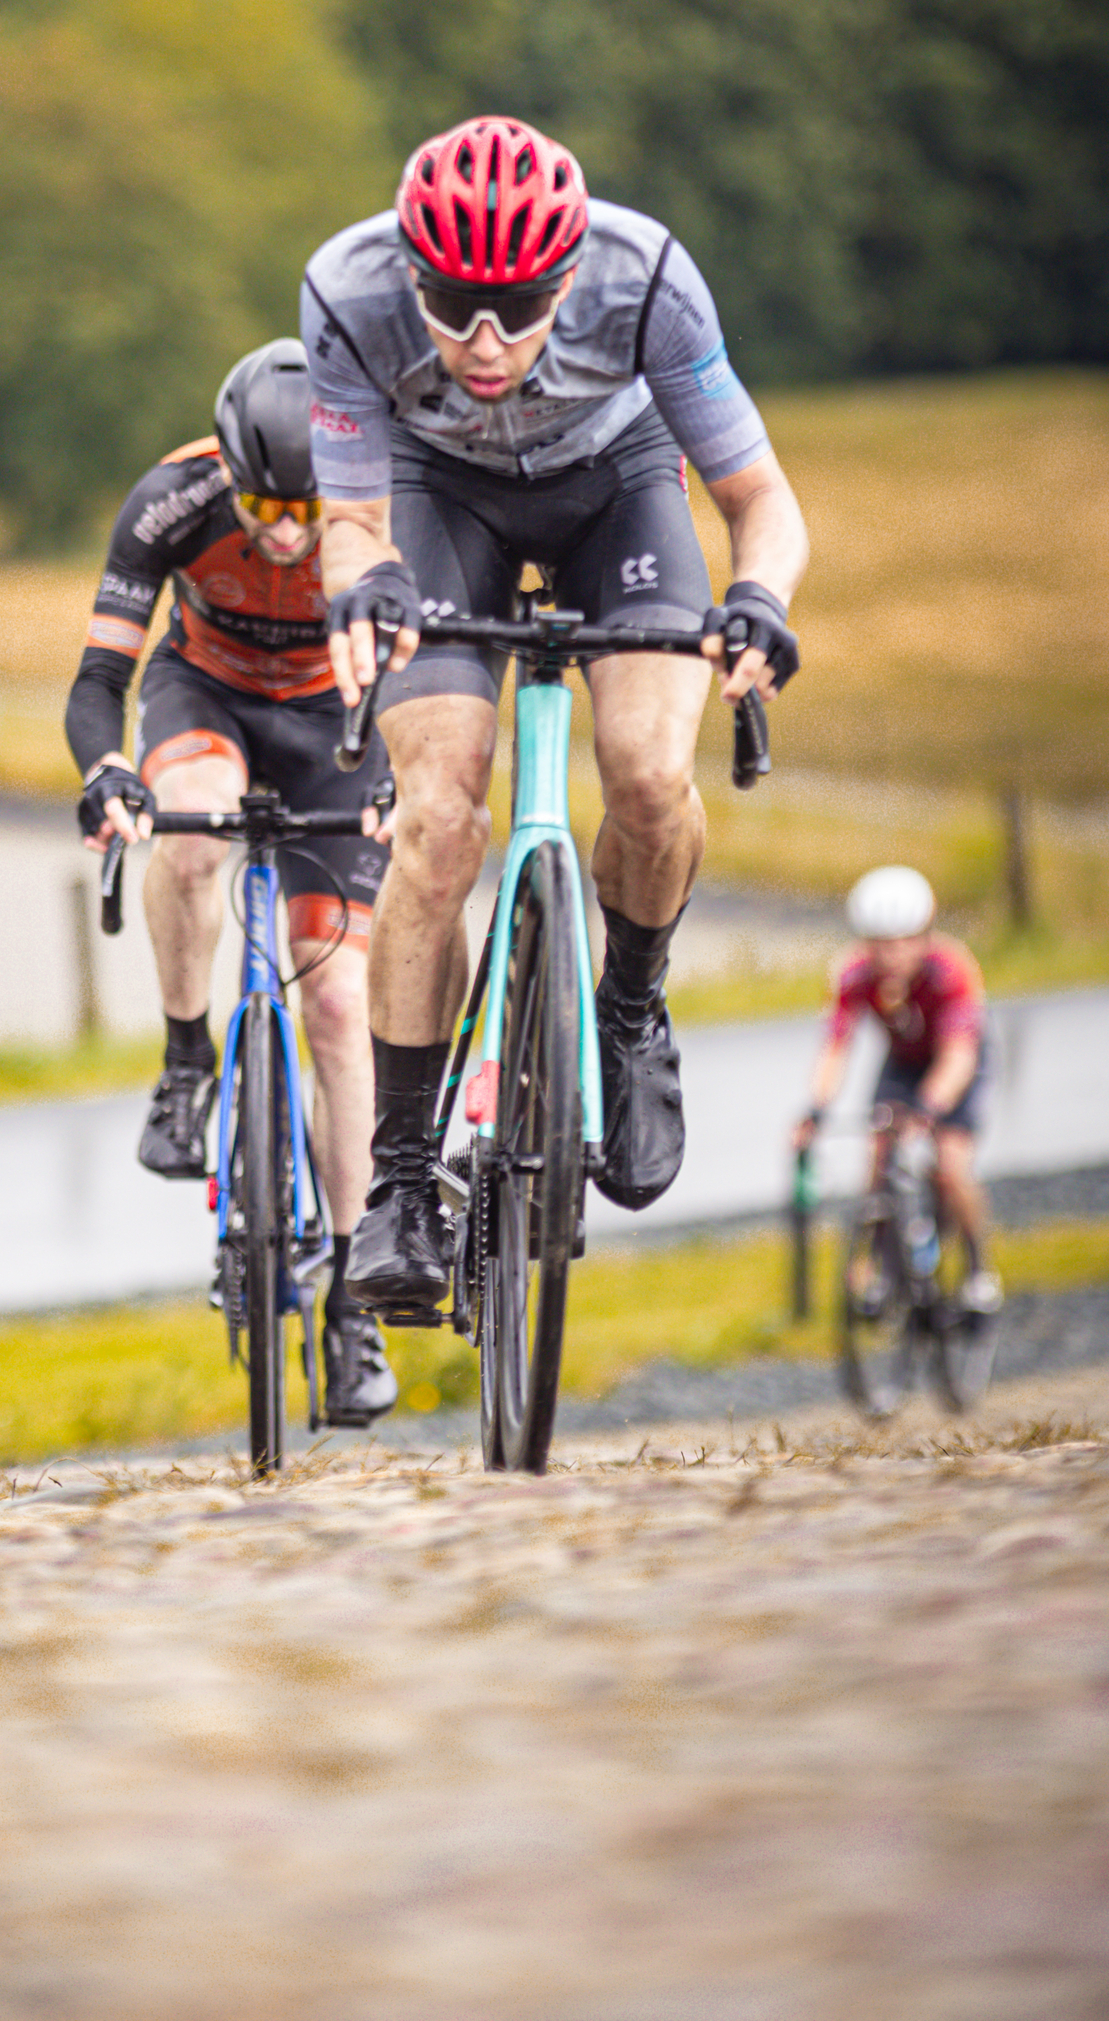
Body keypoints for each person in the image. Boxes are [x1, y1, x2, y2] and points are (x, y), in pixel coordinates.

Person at [304, 113, 810, 1318]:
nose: (484, 341)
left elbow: (759, 497)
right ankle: (402, 1180)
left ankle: (628, 1009)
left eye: (519, 307)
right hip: (439, 501)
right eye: (452, 304)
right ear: (409, 272)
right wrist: (361, 581)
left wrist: (756, 599)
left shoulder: (646, 281)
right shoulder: (347, 290)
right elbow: (349, 522)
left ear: (568, 277)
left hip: (614, 487)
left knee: (644, 773)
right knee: (431, 818)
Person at [66, 341, 397, 1428]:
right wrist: (106, 769)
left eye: (306, 508)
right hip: (201, 692)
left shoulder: (376, 502)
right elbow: (102, 677)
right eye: (266, 506)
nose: (290, 532)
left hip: (331, 724)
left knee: (342, 1005)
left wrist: (418, 784)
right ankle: (182, 1061)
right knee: (192, 840)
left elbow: (429, 669)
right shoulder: (172, 500)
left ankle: (352, 1300)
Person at [795, 864, 1002, 1311]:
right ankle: (874, 1272)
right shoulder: (853, 974)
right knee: (879, 1156)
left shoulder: (951, 969)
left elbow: (960, 1057)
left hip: (955, 1063)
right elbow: (835, 1048)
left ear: (925, 936)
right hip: (904, 1062)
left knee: (950, 1161)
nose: (892, 954)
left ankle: (978, 1270)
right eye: (880, 943)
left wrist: (929, 1109)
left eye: (905, 940)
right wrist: (816, 1109)